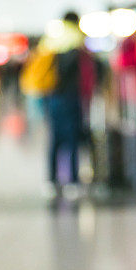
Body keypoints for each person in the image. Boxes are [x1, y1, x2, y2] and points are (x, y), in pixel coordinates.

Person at [41, 11, 88, 194]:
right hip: (71, 96)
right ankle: (73, 182)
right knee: (72, 139)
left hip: (51, 96)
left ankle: (51, 180)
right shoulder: (77, 38)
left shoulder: (52, 38)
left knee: (54, 138)